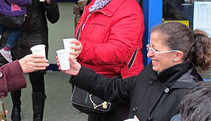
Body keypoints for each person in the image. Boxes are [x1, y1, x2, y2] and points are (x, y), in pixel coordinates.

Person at [59, 22, 211, 121]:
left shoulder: (190, 93)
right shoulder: (151, 72)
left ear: (177, 55)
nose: (149, 54)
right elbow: (115, 88)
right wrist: (78, 71)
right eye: (149, 47)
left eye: (155, 50)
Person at [73, 0, 145, 121]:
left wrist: (82, 50)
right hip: (98, 83)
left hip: (117, 88)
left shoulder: (129, 11)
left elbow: (119, 52)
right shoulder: (97, 1)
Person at [0, 0, 59, 121]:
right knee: (15, 74)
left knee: (38, 78)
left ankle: (37, 117)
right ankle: (16, 107)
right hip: (15, 35)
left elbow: (54, 18)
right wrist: (14, 22)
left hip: (37, 36)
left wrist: (49, 2)